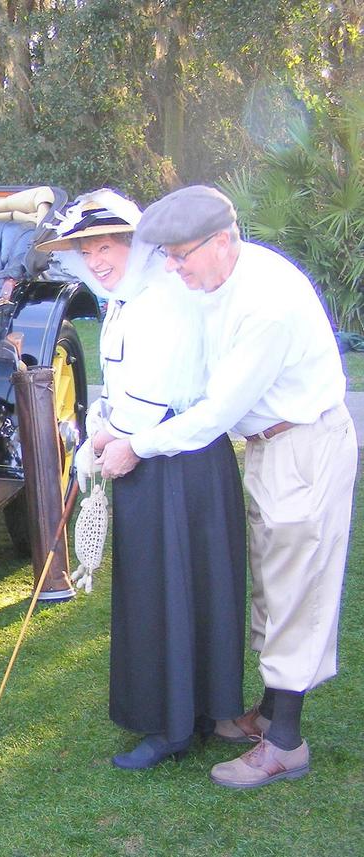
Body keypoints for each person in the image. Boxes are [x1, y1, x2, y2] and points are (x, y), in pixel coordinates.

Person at [99, 185, 356, 789]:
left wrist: (137, 444)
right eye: (166, 256)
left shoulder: (266, 304)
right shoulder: (217, 280)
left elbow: (215, 414)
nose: (172, 267)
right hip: (269, 445)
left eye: (181, 255)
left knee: (296, 589)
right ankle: (267, 714)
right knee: (271, 582)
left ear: (222, 240)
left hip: (304, 445)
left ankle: (285, 744)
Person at [38, 189, 248, 770]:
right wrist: (101, 430)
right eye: (86, 251)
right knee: (170, 587)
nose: (96, 260)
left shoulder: (162, 298)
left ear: (135, 244)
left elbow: (153, 398)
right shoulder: (128, 299)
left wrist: (106, 441)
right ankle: (192, 713)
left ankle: (174, 726)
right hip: (159, 455)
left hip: (174, 462)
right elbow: (122, 387)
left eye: (106, 247)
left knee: (170, 590)